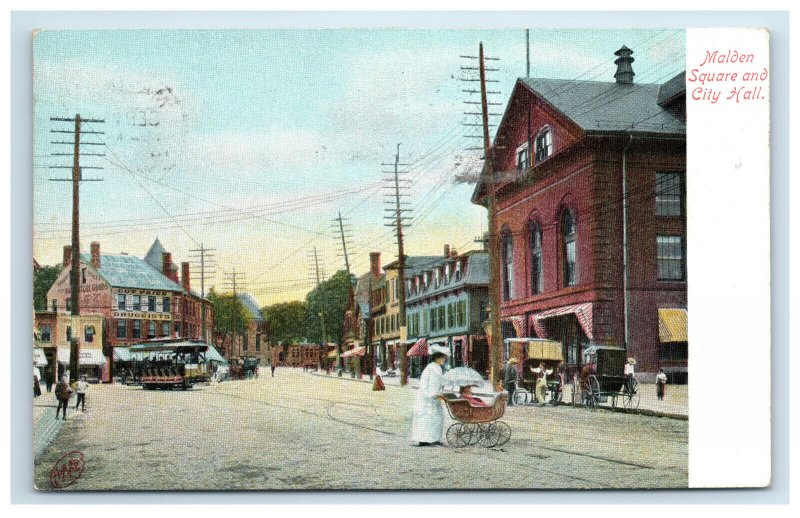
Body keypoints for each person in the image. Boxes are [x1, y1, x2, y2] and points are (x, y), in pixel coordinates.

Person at [410, 349, 449, 446]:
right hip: (426, 399)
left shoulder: (438, 368)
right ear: (437, 358)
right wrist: (431, 395)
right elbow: (424, 385)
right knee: (426, 419)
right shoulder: (430, 368)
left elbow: (439, 383)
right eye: (443, 358)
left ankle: (434, 438)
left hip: (434, 399)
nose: (444, 360)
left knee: (436, 419)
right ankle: (424, 440)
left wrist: (442, 388)